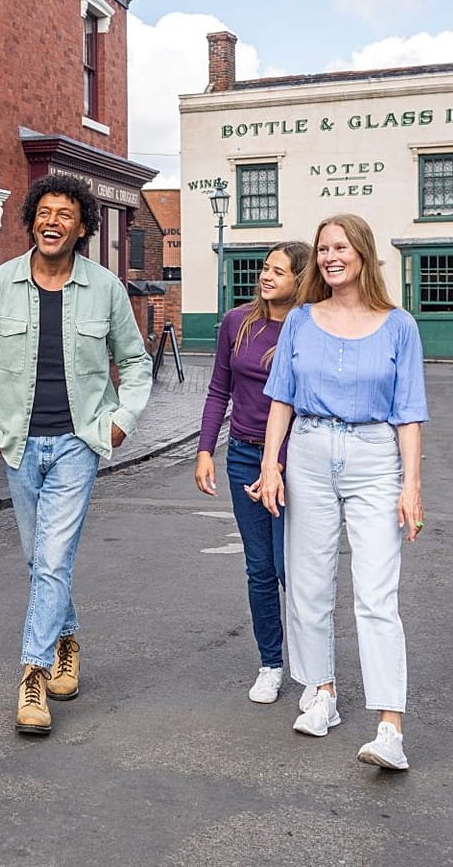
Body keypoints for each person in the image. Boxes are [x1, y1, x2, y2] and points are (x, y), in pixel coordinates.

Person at [0, 174, 153, 737]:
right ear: (32, 221)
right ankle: (67, 640)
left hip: (78, 443)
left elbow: (135, 363)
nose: (52, 221)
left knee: (53, 557)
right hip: (16, 442)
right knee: (40, 561)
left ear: (81, 227)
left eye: (64, 213)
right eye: (44, 212)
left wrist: (121, 421)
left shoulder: (106, 288)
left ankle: (32, 676)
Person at [256, 214, 428, 771]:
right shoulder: (301, 321)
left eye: (341, 247)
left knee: (377, 594)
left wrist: (411, 487)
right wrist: (271, 465)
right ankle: (322, 694)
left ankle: (389, 727)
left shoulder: (399, 324)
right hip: (306, 450)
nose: (330, 256)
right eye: (324, 248)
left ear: (362, 254)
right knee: (307, 581)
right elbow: (281, 396)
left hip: (375, 457)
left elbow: (409, 415)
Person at [194, 240, 312, 705]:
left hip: (296, 461)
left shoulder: (310, 327)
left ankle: (313, 671)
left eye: (279, 272)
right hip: (243, 455)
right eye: (265, 269)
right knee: (260, 567)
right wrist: (206, 449)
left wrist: (278, 462)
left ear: (299, 280)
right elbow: (217, 389)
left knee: (295, 570)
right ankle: (271, 663)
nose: (266, 277)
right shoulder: (236, 322)